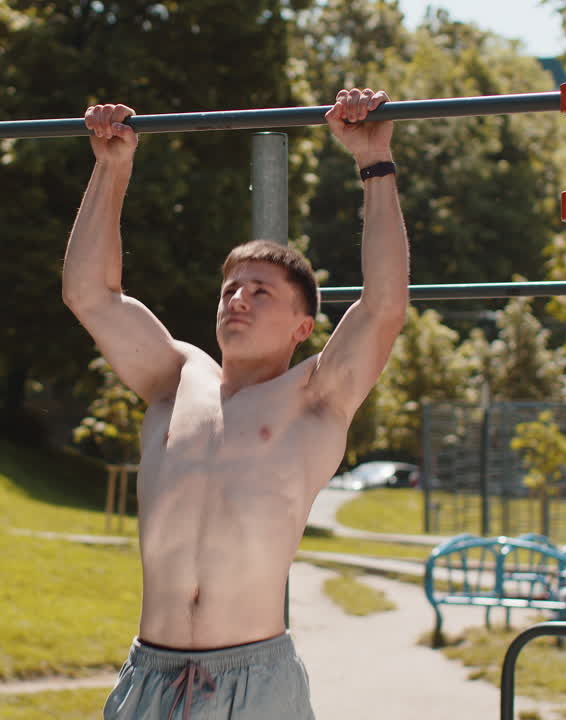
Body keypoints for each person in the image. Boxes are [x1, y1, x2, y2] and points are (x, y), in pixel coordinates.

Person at [62, 88, 409, 719]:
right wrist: (111, 167)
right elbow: (91, 295)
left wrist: (375, 163)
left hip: (253, 679)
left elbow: (383, 308)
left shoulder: (316, 397)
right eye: (231, 289)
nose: (238, 300)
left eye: (261, 291)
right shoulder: (175, 381)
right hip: (150, 673)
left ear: (304, 327)